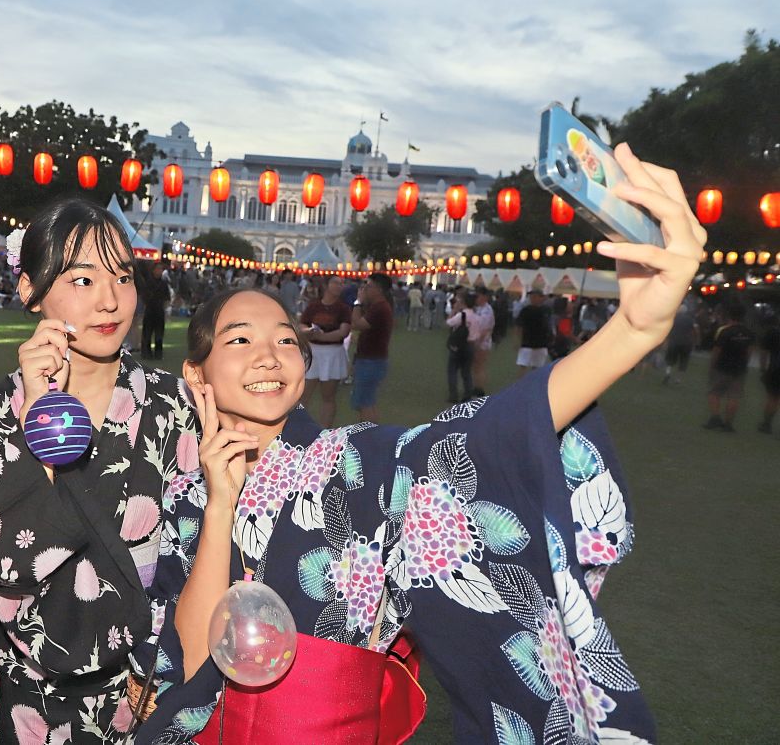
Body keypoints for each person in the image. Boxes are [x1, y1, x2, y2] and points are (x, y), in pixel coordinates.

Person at [135, 143, 702, 744]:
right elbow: (195, 665)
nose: (270, 356)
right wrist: (220, 502)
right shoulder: (181, 492)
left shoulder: (355, 465)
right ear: (196, 373)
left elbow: (476, 442)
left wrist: (633, 330)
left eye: (285, 339)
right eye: (240, 341)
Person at [0, 199, 197, 744]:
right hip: (35, 703)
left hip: (153, 690)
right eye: (82, 279)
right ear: (29, 290)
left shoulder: (175, 406)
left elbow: (199, 550)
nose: (110, 301)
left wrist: (164, 663)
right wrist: (35, 423)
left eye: (123, 277)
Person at [300, 275, 352, 427]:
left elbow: (344, 331)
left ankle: (324, 432)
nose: (339, 286)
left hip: (332, 353)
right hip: (313, 352)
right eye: (335, 283)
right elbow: (302, 325)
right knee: (303, 394)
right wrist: (309, 331)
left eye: (341, 283)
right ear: (326, 285)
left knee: (328, 396)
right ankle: (298, 428)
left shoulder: (343, 308)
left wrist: (321, 337)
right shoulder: (314, 306)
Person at [704, 301, 755, 433]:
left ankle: (715, 417)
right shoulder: (749, 333)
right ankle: (728, 424)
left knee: (714, 393)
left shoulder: (725, 331)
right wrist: (744, 364)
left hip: (722, 366)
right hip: (739, 368)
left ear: (730, 315)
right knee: (734, 397)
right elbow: (749, 352)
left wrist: (712, 366)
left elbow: (717, 351)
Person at [350, 273, 395, 422]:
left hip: (371, 361)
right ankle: (372, 437)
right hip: (371, 359)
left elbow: (356, 324)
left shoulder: (379, 308)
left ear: (379, 289)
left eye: (368, 286)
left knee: (365, 403)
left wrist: (358, 302)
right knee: (367, 401)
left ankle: (368, 439)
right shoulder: (378, 307)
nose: (364, 290)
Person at [445, 289, 476, 402]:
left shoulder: (461, 315)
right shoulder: (475, 316)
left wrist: (454, 310)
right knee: (466, 372)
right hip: (470, 345)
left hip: (458, 345)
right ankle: (467, 394)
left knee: (452, 370)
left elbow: (448, 323)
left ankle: (453, 395)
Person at [515, 289, 553, 374]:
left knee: (537, 369)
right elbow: (519, 326)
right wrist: (519, 341)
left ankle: (533, 386)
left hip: (541, 344)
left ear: (541, 298)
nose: (532, 298)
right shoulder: (525, 310)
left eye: (535, 296)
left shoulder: (546, 311)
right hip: (526, 343)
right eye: (531, 296)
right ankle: (520, 386)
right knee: (523, 366)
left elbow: (549, 326)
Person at [662, 303, 699, 385]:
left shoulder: (673, 318)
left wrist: (666, 340)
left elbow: (667, 329)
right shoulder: (690, 319)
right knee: (683, 360)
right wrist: (696, 340)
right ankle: (678, 379)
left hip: (674, 341)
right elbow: (696, 329)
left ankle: (668, 373)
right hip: (686, 343)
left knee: (670, 359)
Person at [142, 260, 172, 360]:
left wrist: (167, 311)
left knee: (159, 334)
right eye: (158, 269)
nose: (159, 271)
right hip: (150, 311)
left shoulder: (164, 283)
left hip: (160, 311)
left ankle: (158, 354)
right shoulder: (148, 282)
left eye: (161, 269)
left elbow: (167, 298)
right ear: (153, 270)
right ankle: (146, 353)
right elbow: (144, 297)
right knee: (147, 333)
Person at [469, 287, 495, 396]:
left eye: (478, 296)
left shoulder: (487, 310)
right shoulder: (478, 308)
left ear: (485, 297)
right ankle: (476, 386)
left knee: (479, 366)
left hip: (482, 342)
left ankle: (480, 388)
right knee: (475, 366)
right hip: (476, 340)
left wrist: (478, 342)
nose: (476, 298)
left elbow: (485, 329)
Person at [758, 311, 780, 434]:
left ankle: (767, 423)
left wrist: (763, 368)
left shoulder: (772, 333)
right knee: (776, 399)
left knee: (772, 397)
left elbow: (764, 352)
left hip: (775, 368)